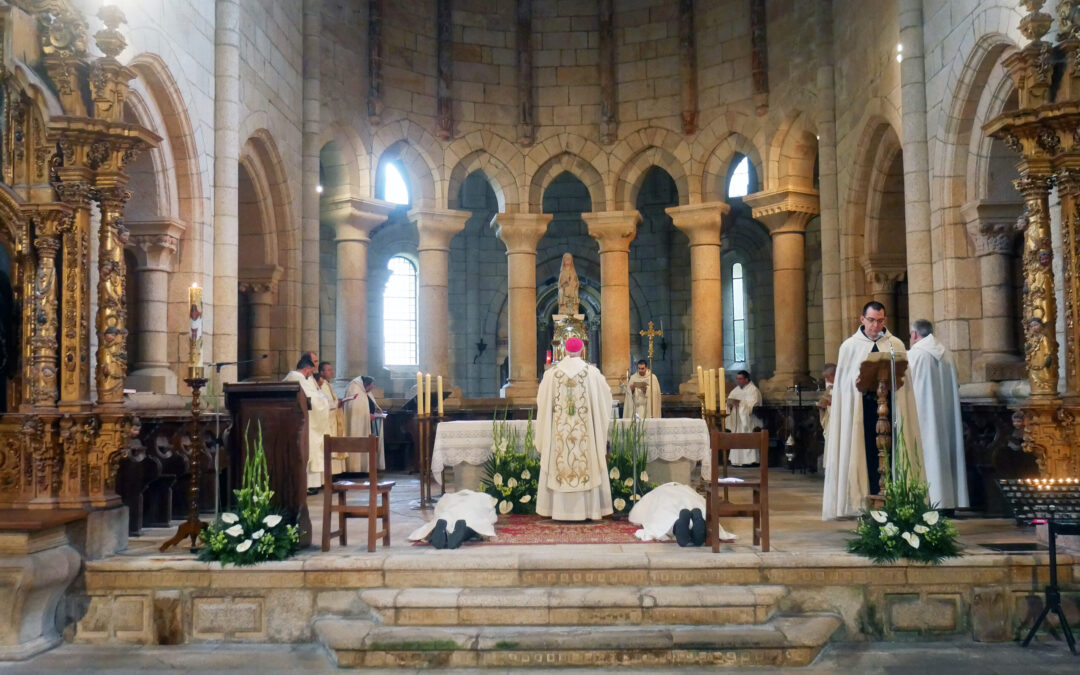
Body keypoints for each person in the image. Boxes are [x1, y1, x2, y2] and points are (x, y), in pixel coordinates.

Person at [822, 301, 923, 520]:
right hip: (862, 409)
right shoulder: (850, 346)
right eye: (871, 320)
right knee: (864, 452)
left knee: (893, 453)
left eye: (879, 321)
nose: (875, 326)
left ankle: (894, 500)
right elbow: (845, 385)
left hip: (891, 409)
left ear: (884, 320)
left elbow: (905, 382)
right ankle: (863, 502)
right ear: (862, 319)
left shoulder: (895, 344)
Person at [535, 336, 613, 521]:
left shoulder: (551, 374)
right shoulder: (592, 373)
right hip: (584, 433)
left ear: (564, 351)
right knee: (585, 458)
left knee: (560, 458)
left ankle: (557, 510)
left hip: (559, 433)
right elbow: (606, 397)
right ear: (581, 351)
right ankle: (589, 510)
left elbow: (542, 401)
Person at [908, 319, 969, 510]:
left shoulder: (915, 355)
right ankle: (947, 503)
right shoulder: (947, 355)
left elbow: (905, 388)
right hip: (946, 417)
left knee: (926, 455)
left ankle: (927, 502)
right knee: (944, 456)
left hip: (922, 416)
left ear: (915, 335)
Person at [629, 482, 735, 546]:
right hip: (688, 496)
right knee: (695, 505)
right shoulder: (686, 489)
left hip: (664, 499)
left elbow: (636, 515)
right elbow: (701, 499)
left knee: (664, 514)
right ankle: (699, 524)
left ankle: (676, 527)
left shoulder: (655, 493)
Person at [283, 354, 332, 490]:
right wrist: (325, 402)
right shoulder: (300, 380)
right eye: (311, 370)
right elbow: (314, 401)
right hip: (306, 422)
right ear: (306, 369)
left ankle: (308, 484)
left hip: (299, 421)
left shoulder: (290, 378)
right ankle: (309, 485)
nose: (311, 373)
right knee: (310, 450)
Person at [408, 489, 498, 549]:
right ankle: (458, 536)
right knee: (471, 525)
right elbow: (491, 517)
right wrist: (489, 531)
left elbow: (438, 509)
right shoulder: (484, 497)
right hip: (470, 513)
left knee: (444, 519)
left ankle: (439, 533)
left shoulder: (448, 496)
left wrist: (435, 519)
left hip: (449, 511)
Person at [344, 375, 385, 472]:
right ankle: (357, 468)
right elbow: (355, 411)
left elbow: (369, 405)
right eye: (372, 385)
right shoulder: (355, 390)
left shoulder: (366, 392)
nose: (373, 387)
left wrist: (377, 410)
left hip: (368, 424)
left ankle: (367, 466)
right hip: (358, 426)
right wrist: (368, 416)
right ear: (365, 385)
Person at [315, 362, 346, 476]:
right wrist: (336, 404)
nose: (332, 372)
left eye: (332, 369)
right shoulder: (321, 385)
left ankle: (333, 475)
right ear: (321, 372)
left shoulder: (327, 384)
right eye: (328, 370)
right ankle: (328, 475)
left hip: (333, 419)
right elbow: (323, 403)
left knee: (333, 448)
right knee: (329, 448)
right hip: (327, 421)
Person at [726, 370, 763, 466]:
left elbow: (754, 405)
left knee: (747, 437)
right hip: (737, 421)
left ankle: (750, 461)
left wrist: (740, 404)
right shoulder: (735, 390)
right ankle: (737, 461)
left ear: (746, 379)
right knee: (737, 438)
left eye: (740, 379)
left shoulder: (753, 390)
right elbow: (729, 401)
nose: (738, 381)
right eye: (737, 379)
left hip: (749, 420)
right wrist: (729, 405)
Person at [817, 363, 836, 463]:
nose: (827, 380)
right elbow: (822, 402)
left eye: (828, 377)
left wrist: (833, 401)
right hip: (830, 420)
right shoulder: (830, 388)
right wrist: (823, 404)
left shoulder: (843, 386)